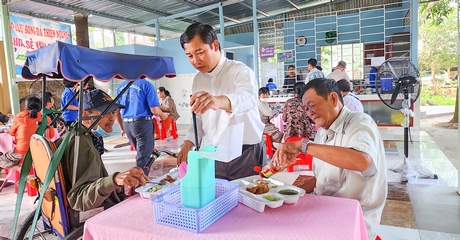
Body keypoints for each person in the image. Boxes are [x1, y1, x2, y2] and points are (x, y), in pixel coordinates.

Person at [272, 78, 387, 239]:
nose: (309, 113)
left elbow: (362, 162)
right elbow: (322, 181)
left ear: (333, 98)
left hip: (353, 218)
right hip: (327, 208)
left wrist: (304, 146)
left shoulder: (359, 122)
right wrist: (284, 193)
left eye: (312, 105)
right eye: (305, 109)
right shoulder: (322, 132)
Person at [177, 22, 266, 181]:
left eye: (200, 52)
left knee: (249, 196)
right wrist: (188, 143)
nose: (196, 61)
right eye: (190, 56)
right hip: (214, 151)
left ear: (215, 45)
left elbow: (248, 98)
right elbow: (197, 118)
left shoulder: (239, 70)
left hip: (245, 152)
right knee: (218, 195)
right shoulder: (198, 79)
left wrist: (218, 101)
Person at [57, 89, 149, 213]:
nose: (112, 118)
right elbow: (79, 198)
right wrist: (115, 179)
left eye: (113, 112)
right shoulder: (82, 144)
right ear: (85, 115)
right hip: (90, 211)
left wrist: (118, 183)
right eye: (105, 113)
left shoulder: (84, 135)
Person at [115, 79, 168, 175]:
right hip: (142, 124)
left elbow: (116, 111)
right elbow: (154, 110)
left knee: (142, 154)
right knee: (143, 158)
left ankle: (140, 181)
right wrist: (163, 116)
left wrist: (122, 128)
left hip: (127, 124)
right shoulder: (146, 85)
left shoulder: (121, 86)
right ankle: (139, 186)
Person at [0, 96, 55, 169]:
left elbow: (11, 133)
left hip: (21, 151)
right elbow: (51, 135)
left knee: (1, 161)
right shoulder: (46, 118)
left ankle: (19, 169)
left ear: (26, 106)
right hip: (39, 151)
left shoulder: (19, 116)